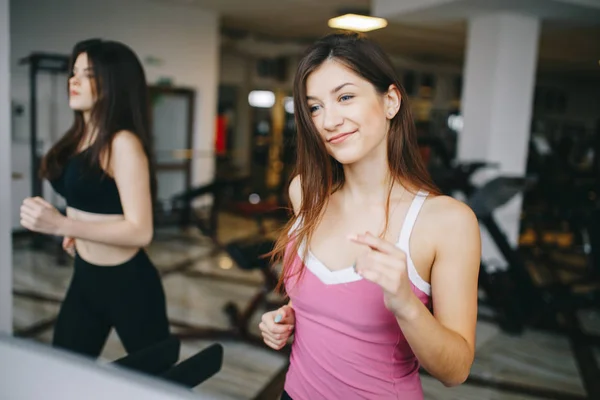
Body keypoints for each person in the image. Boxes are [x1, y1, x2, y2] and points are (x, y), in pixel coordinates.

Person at [259, 32, 481, 399]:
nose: (328, 121)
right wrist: (286, 317)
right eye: (315, 107)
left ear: (390, 101)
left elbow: (455, 371)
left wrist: (405, 304)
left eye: (345, 97)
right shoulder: (306, 193)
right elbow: (325, 302)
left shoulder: (446, 222)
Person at [20, 39, 171, 359]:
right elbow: (92, 200)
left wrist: (62, 224)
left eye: (86, 74)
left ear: (113, 82)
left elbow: (140, 231)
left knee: (159, 381)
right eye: (73, 72)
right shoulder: (80, 136)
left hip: (130, 286)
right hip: (86, 277)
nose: (72, 81)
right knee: (63, 370)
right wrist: (77, 229)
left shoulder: (122, 143)